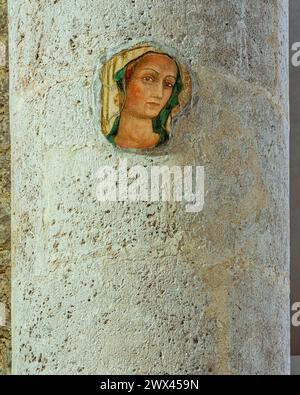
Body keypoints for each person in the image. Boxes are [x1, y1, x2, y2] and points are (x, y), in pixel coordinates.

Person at [105, 50, 184, 149]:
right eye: (148, 79)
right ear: (125, 82)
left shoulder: (175, 147)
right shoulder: (100, 146)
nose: (159, 94)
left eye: (168, 84)